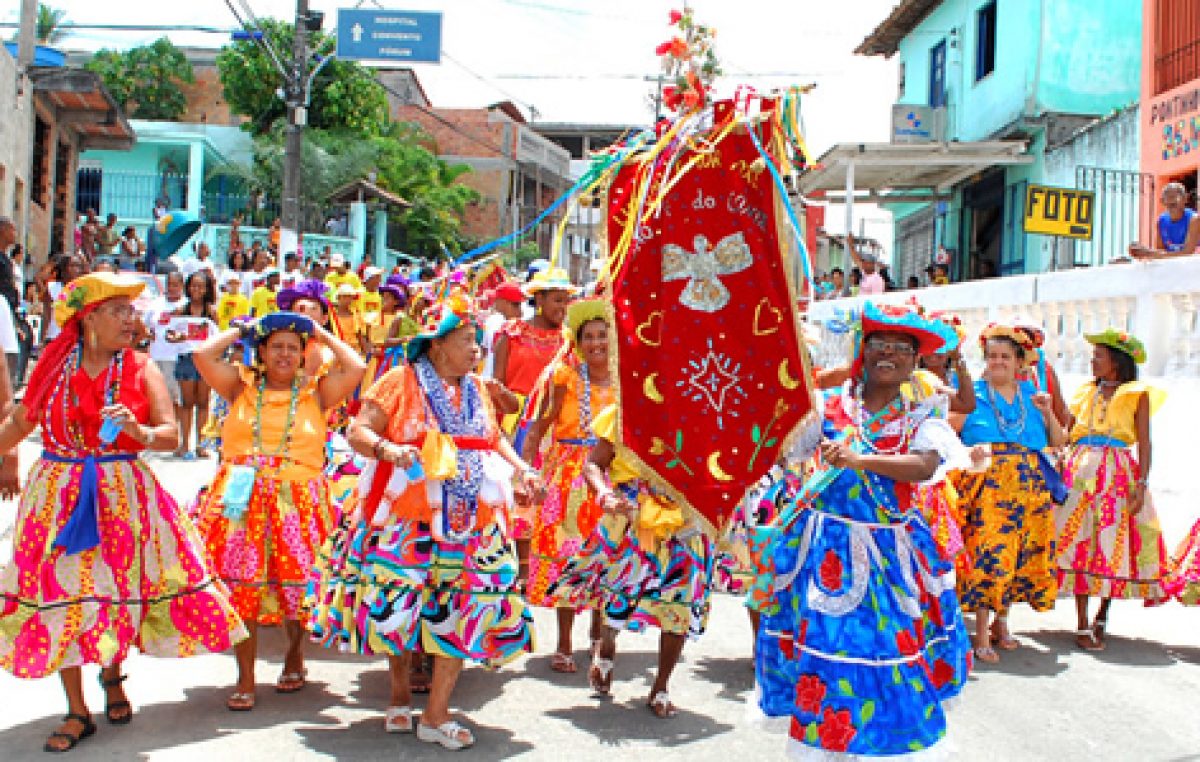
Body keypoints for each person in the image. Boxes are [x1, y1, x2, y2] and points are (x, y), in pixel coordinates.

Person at [0, 272, 245, 752]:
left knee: (111, 593)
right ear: (88, 318)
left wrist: (141, 432)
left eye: (132, 312)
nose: (132, 321)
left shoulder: (139, 369)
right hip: (57, 496)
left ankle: (111, 675)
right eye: (120, 311)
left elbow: (171, 435)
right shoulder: (54, 369)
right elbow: (20, 422)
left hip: (121, 496)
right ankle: (76, 709)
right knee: (60, 598)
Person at [308, 288, 537, 748]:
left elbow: (492, 440)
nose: (476, 350)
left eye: (477, 341)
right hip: (406, 515)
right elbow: (358, 430)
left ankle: (435, 713)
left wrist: (523, 469)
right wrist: (389, 449)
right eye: (467, 341)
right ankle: (397, 695)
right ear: (436, 345)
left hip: (471, 518)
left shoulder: (476, 389)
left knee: (467, 606)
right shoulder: (399, 380)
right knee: (399, 608)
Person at [750, 301, 972, 757]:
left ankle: (879, 742)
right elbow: (785, 450)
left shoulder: (921, 419)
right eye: (878, 344)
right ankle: (823, 744)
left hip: (888, 555)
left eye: (901, 348)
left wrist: (860, 460)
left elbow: (923, 467)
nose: (888, 354)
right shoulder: (831, 409)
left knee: (885, 647)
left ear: (915, 362)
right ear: (862, 350)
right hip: (823, 551)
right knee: (825, 647)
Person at [191, 311, 364, 711]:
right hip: (241, 501)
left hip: (298, 502)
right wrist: (243, 328)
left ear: (304, 354)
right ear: (261, 353)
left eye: (293, 348)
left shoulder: (316, 392)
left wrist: (317, 331)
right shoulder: (240, 387)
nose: (285, 355)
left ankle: (294, 654)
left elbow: (355, 365)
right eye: (276, 347)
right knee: (241, 588)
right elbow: (202, 354)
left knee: (298, 587)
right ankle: (246, 677)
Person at [955, 323, 1067, 663]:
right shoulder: (971, 393)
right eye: (992, 356)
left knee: (1019, 554)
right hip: (987, 485)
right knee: (989, 551)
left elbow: (1059, 441)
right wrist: (966, 454)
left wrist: (1048, 412)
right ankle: (982, 629)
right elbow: (945, 435)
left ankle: (1004, 624)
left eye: (1005, 356)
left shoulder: (1032, 395)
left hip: (1028, 486)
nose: (998, 362)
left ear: (1020, 361)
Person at [1056, 329, 1169, 650]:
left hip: (1117, 475)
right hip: (1079, 473)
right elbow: (1067, 430)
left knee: (1110, 543)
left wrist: (1143, 483)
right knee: (1078, 542)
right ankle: (1080, 621)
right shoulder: (1084, 392)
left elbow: (1145, 441)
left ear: (1117, 362)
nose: (1092, 362)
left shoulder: (1137, 394)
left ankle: (1101, 617)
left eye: (1098, 357)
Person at [520, 298, 613, 673]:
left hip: (609, 478)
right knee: (567, 558)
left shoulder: (625, 383)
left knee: (604, 557)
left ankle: (597, 639)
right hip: (568, 478)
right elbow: (541, 425)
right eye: (587, 337)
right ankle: (563, 643)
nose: (595, 344)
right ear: (577, 342)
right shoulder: (566, 378)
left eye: (602, 336)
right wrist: (527, 472)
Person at [171, 271, 219, 460]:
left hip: (205, 359)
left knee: (204, 402)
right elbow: (169, 334)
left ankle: (201, 444)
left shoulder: (211, 312)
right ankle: (184, 444)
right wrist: (177, 338)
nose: (196, 289)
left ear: (207, 289)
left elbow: (218, 336)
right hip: (186, 359)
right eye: (193, 285)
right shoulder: (181, 311)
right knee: (187, 402)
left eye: (200, 286)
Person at [140, 271, 187, 430]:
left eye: (175, 285)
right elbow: (143, 324)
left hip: (177, 358)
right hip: (156, 356)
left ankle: (176, 431)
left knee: (177, 398)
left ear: (181, 286)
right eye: (169, 284)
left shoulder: (186, 305)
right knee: (156, 396)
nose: (172, 288)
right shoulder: (156, 304)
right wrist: (148, 334)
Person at [1131, 181, 1200, 260]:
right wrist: (1143, 253)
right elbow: (1161, 252)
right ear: (1162, 201)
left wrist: (1149, 253)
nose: (1170, 198)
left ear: (1185, 199)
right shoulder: (1162, 221)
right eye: (1167, 196)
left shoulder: (1194, 219)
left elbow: (1187, 253)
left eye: (1175, 197)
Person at [482, 280, 525, 377]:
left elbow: (484, 352)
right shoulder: (501, 324)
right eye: (515, 305)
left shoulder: (491, 320)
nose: (520, 312)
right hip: (496, 382)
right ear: (502, 302)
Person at [40, 254, 87, 343]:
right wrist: (42, 339)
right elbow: (46, 315)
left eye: (79, 266)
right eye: (73, 265)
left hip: (73, 340)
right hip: (54, 337)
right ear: (64, 269)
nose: (77, 269)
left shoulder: (80, 290)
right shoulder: (52, 288)